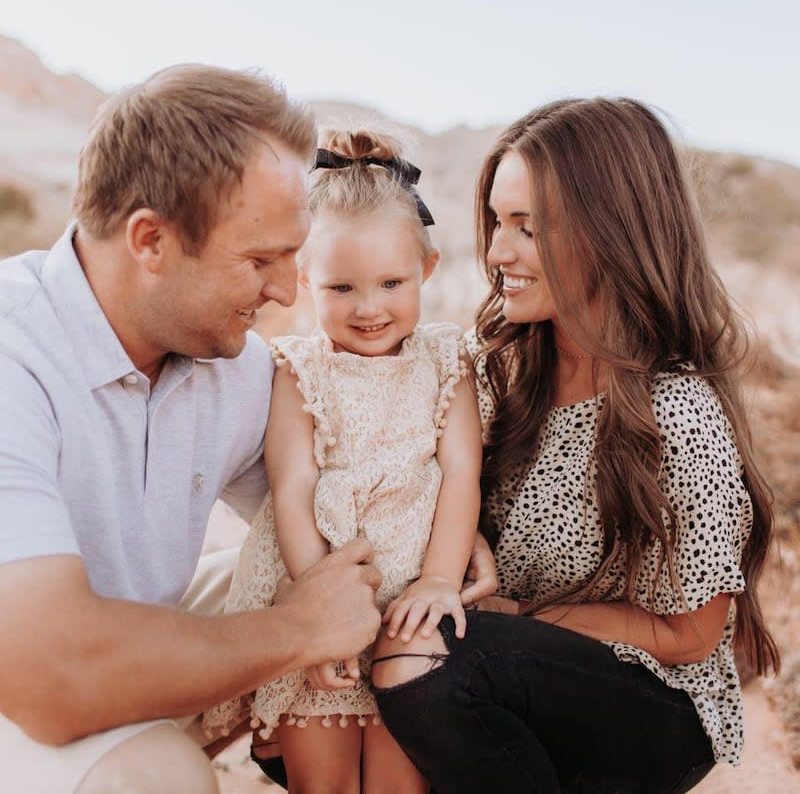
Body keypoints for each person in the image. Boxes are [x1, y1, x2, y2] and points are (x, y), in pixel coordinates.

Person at [0, 66, 497, 794]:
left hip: (106, 640)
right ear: (151, 240)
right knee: (156, 780)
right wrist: (300, 630)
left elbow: (333, 491)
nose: (288, 290)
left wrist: (441, 542)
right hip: (24, 690)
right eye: (261, 259)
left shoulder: (231, 364)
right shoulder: (15, 356)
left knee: (294, 564)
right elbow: (45, 675)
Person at [371, 97, 781, 794]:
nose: (499, 252)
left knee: (426, 657)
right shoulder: (493, 365)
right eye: (499, 222)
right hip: (511, 666)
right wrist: (459, 534)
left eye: (529, 229)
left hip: (651, 705)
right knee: (337, 680)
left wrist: (519, 616)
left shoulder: (677, 415)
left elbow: (689, 635)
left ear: (612, 233)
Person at [203, 126, 483, 793]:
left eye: (391, 282)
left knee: (399, 780)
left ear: (429, 270)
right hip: (320, 589)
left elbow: (462, 474)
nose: (368, 309)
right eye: (341, 288)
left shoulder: (447, 362)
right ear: (305, 281)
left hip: (408, 608)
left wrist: (441, 580)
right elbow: (294, 487)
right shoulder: (298, 370)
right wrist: (317, 619)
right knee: (321, 784)